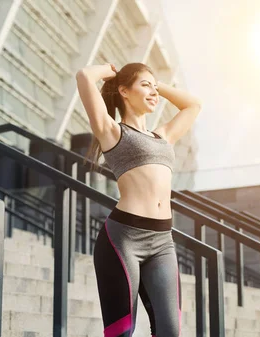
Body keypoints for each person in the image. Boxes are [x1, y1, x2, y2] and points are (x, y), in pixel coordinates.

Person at [76, 62, 201, 337]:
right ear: (124, 91)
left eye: (153, 86)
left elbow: (193, 105)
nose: (153, 92)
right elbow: (84, 76)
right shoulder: (112, 132)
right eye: (144, 85)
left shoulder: (164, 136)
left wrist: (157, 85)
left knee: (170, 331)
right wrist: (110, 70)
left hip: (162, 242)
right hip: (123, 239)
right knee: (121, 331)